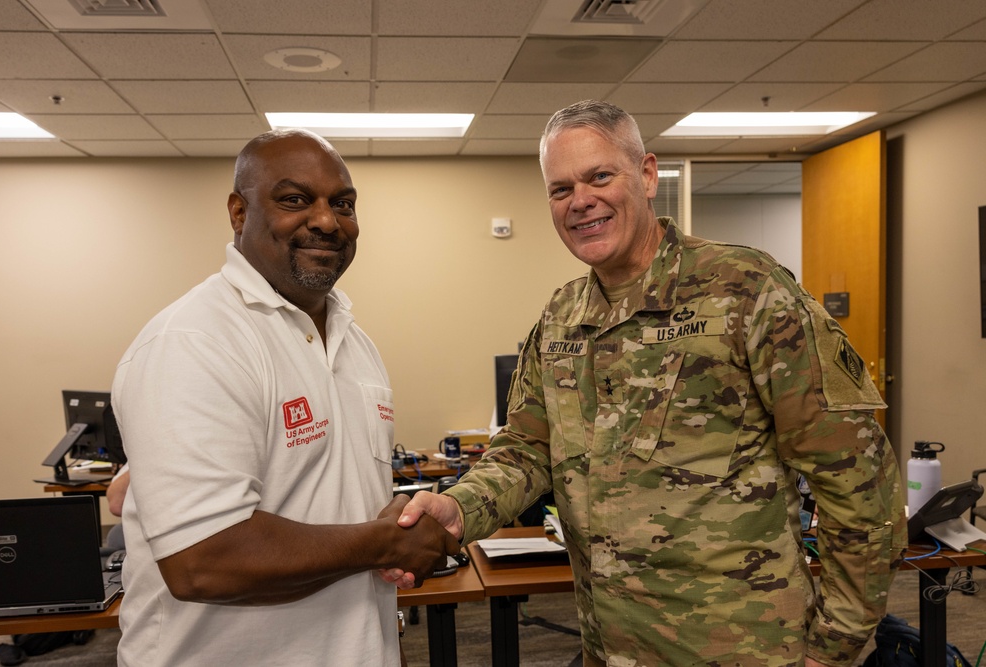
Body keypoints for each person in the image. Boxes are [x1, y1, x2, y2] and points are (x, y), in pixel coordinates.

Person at [396, 101, 907, 667]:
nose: (580, 200)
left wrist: (834, 649)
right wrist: (460, 508)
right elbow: (525, 450)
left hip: (743, 650)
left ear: (645, 175)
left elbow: (860, 483)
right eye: (560, 188)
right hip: (611, 648)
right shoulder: (562, 315)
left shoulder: (746, 292)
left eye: (599, 176)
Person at [112, 129, 458, 667]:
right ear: (237, 211)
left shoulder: (353, 340)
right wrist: (384, 541)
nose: (326, 220)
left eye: (343, 204)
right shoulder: (194, 341)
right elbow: (204, 561)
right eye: (294, 199)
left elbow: (342, 506)